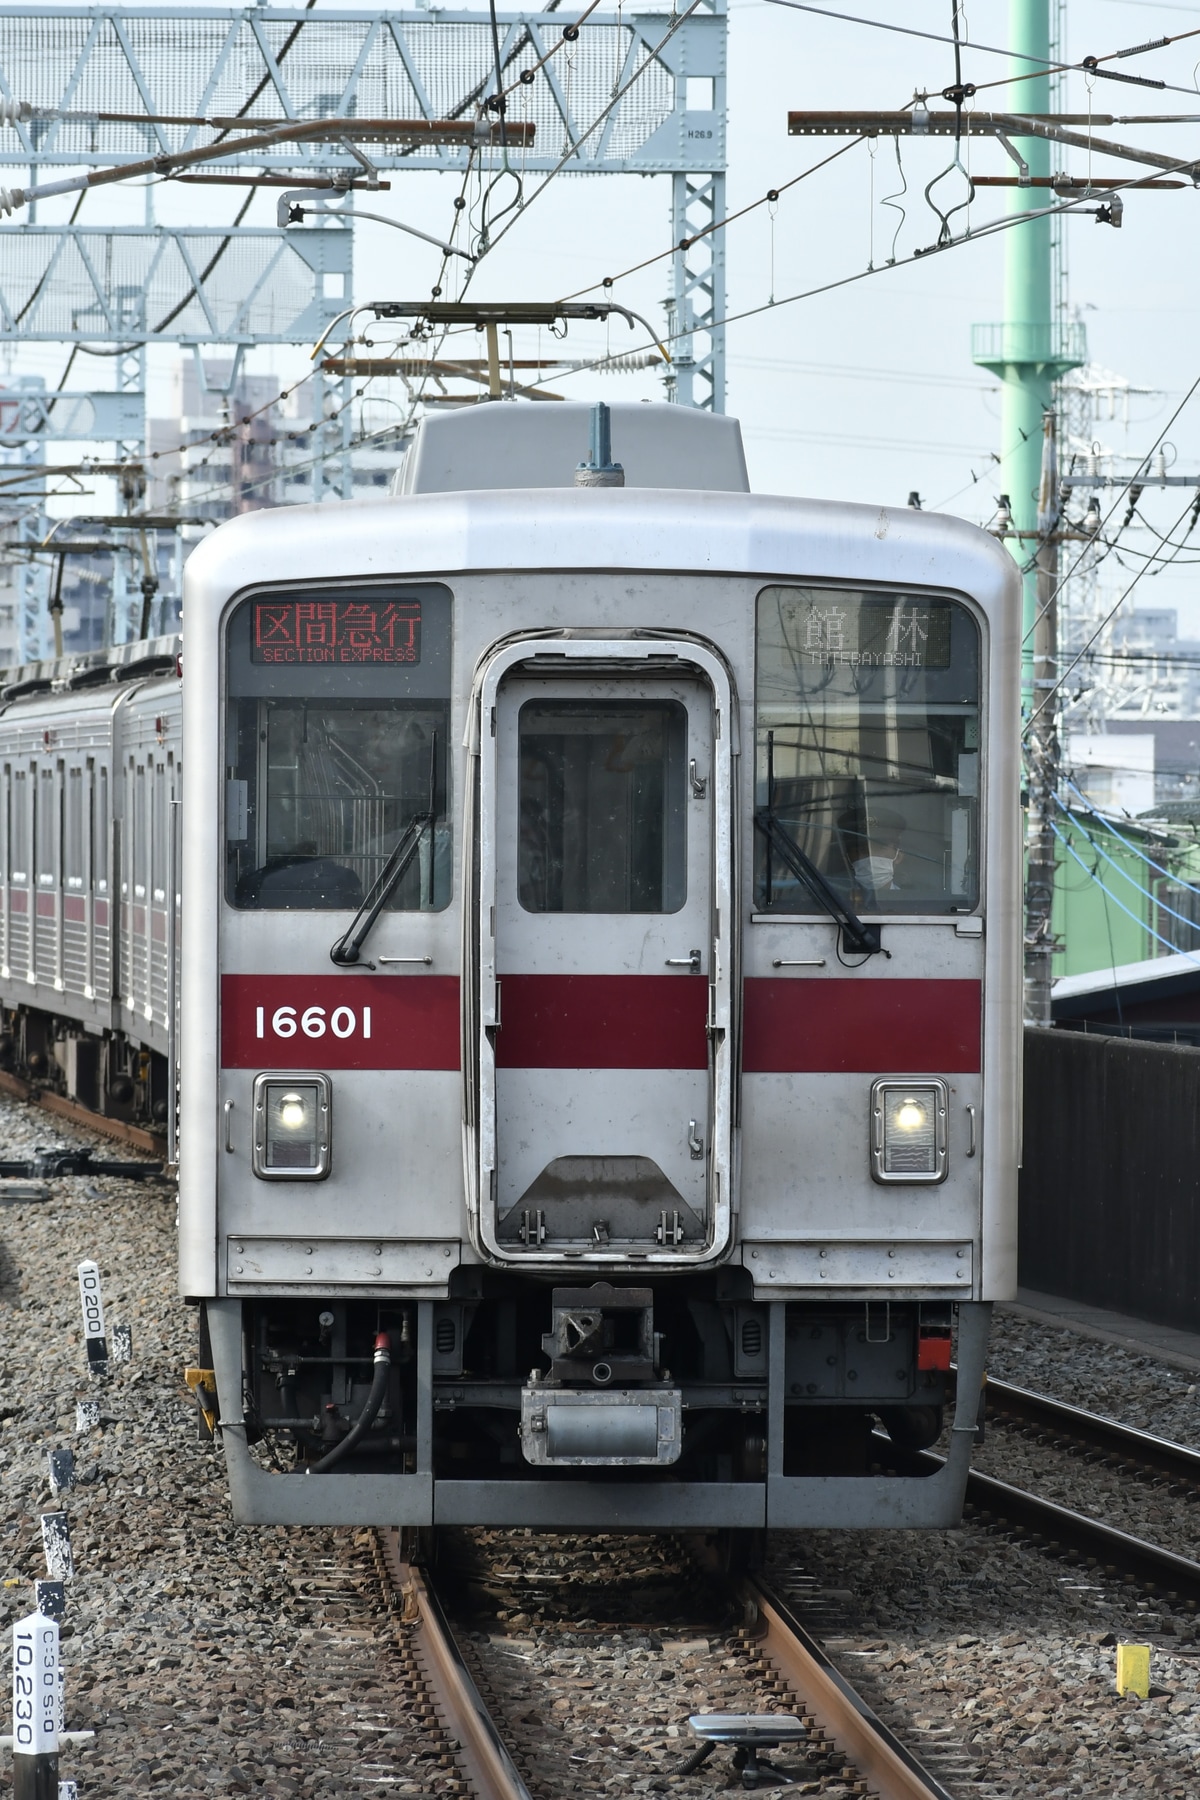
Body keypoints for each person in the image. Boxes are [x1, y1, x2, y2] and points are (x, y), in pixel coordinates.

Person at [837, 806, 907, 908]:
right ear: (848, 858)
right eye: (862, 850)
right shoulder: (833, 903)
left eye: (880, 848)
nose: (870, 857)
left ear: (898, 856)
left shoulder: (914, 902)